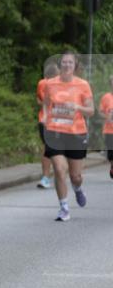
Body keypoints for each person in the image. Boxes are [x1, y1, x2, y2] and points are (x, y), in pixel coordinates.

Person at [41, 51, 94, 221]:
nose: (67, 65)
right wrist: (44, 118)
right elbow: (46, 104)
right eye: (64, 62)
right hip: (55, 132)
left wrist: (77, 107)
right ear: (60, 64)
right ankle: (63, 207)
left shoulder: (83, 85)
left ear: (75, 66)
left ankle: (78, 189)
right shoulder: (50, 84)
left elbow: (91, 111)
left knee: (75, 176)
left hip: (76, 133)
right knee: (59, 169)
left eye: (70, 63)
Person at [36, 63, 59, 188]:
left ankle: (46, 177)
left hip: (43, 120)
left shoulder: (41, 83)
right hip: (55, 121)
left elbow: (39, 100)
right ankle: (53, 175)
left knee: (47, 148)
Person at [102, 76, 113, 179]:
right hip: (109, 130)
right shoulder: (106, 97)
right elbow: (100, 112)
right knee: (111, 153)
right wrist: (107, 117)